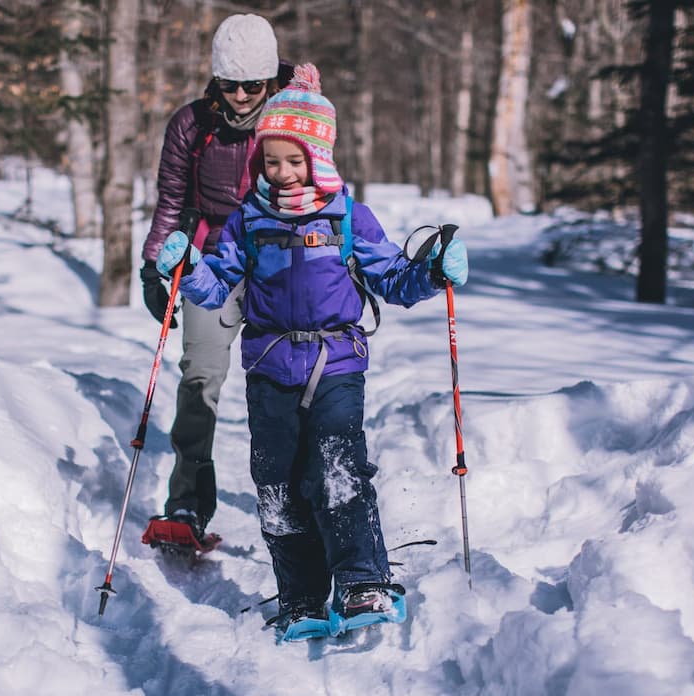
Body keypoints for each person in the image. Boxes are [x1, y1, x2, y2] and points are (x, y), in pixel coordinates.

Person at [154, 64, 471, 639]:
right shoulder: (250, 220)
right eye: (271, 161)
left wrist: (433, 272)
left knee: (338, 469)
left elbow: (395, 281)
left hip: (336, 363)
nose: (281, 172)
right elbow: (215, 284)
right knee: (275, 481)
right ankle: (300, 596)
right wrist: (187, 267)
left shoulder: (349, 217)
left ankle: (362, 581)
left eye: (293, 160)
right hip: (270, 366)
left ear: (317, 157)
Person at [140, 14, 292, 544]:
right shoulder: (192, 124)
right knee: (200, 378)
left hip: (279, 264)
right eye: (231, 84)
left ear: (271, 79)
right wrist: (153, 265)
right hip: (209, 265)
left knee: (287, 385)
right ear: (216, 80)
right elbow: (171, 200)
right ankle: (186, 506)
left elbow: (321, 193)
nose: (244, 95)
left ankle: (297, 500)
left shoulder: (294, 118)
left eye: (254, 84)